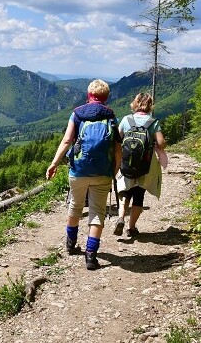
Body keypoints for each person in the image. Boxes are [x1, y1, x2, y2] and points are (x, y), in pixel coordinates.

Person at [46, 79, 121, 270]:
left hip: (78, 170)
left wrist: (54, 163)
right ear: (106, 97)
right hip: (102, 171)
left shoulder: (77, 114)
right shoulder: (111, 116)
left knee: (75, 205)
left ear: (89, 95)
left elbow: (66, 141)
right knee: (97, 212)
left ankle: (70, 243)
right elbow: (118, 148)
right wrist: (114, 170)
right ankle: (90, 256)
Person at [113, 92, 167, 238]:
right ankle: (131, 228)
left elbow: (117, 142)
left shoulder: (126, 120)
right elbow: (161, 143)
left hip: (127, 163)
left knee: (125, 193)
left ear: (135, 104)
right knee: (138, 196)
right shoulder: (153, 122)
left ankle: (121, 218)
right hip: (145, 166)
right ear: (150, 105)